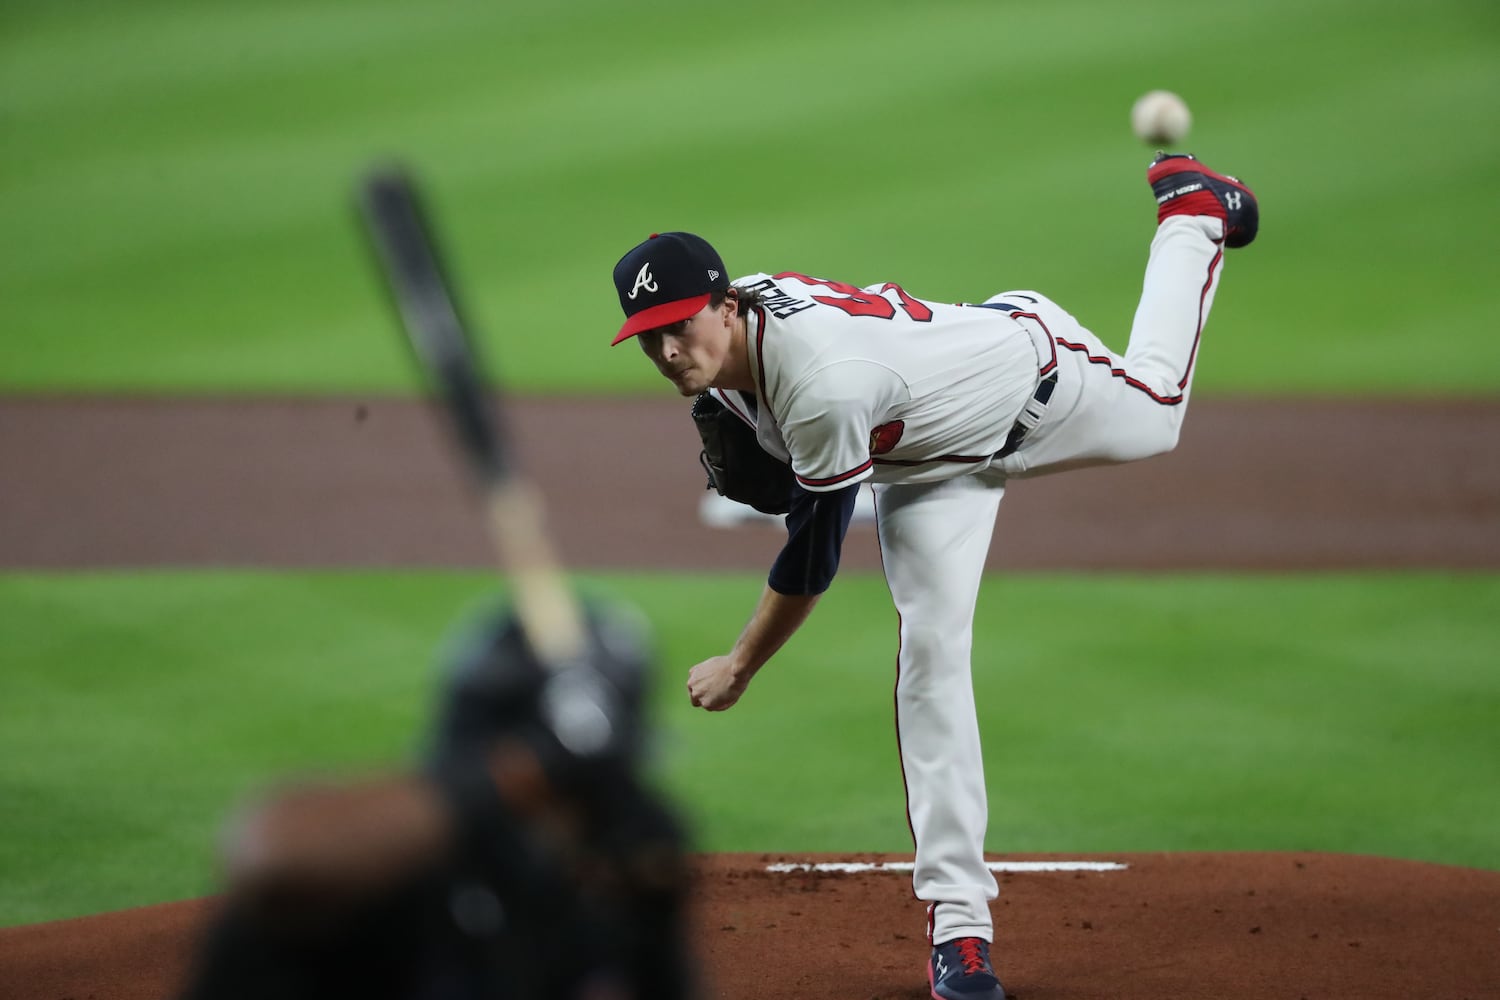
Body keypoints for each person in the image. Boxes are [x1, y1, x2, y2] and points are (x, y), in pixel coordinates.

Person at [607, 152, 1257, 1000]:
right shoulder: (744, 332)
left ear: (728, 306)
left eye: (682, 325)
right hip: (925, 471)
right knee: (932, 659)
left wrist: (738, 665)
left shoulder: (824, 385)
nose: (666, 348)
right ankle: (961, 929)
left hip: (1033, 383)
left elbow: (810, 563)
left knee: (1160, 412)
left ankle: (1194, 214)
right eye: (648, 334)